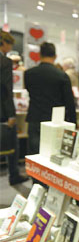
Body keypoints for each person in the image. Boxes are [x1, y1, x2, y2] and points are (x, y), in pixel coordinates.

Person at [25, 42, 76, 155]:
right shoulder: (62, 76)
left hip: (35, 118)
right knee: (53, 156)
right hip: (55, 121)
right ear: (55, 56)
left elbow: (29, 92)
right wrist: (73, 124)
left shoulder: (29, 74)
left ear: (40, 55)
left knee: (34, 156)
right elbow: (70, 102)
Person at [0, 31, 28, 185]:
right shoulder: (4, 62)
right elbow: (5, 89)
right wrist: (11, 114)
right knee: (11, 144)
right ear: (3, 43)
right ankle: (14, 174)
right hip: (2, 111)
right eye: (10, 44)